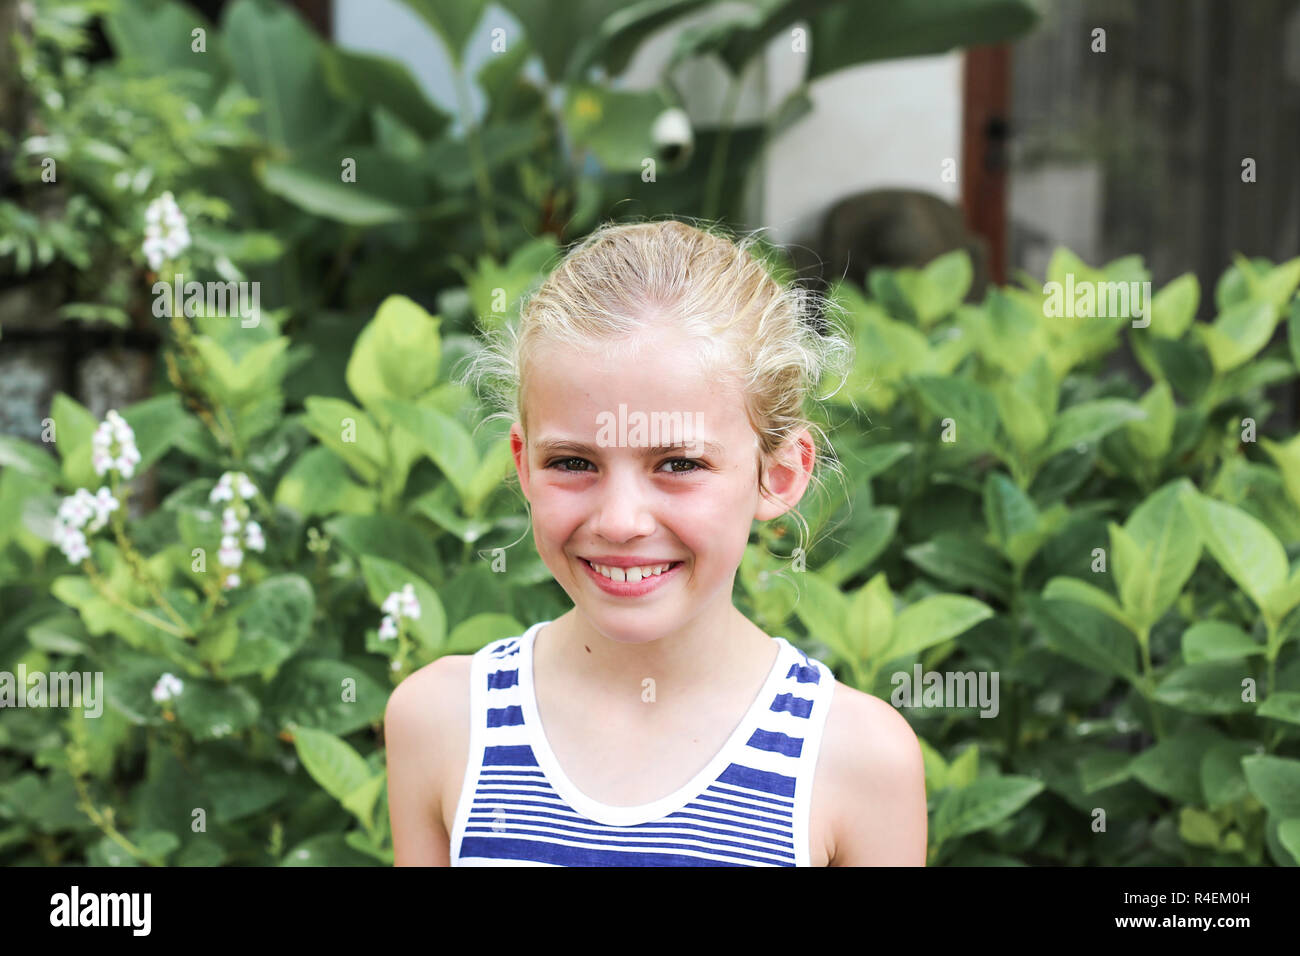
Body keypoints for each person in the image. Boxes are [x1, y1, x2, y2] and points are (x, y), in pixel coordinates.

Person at [385, 218, 927, 866]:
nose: (619, 521)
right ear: (523, 465)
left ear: (778, 475)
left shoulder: (854, 760)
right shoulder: (443, 723)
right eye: (573, 463)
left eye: (678, 464)